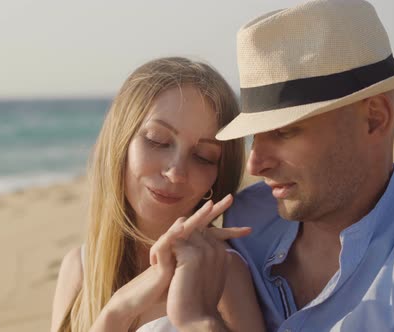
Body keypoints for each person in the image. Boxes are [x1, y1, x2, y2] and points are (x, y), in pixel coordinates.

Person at [149, 0, 394, 331]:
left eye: (283, 132)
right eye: (254, 137)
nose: (255, 164)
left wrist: (200, 323)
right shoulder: (243, 219)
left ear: (373, 118)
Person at [50, 57, 265, 332]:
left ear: (218, 175)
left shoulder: (221, 271)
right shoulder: (80, 267)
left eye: (203, 156)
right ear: (120, 142)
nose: (176, 172)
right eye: (157, 140)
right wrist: (117, 310)